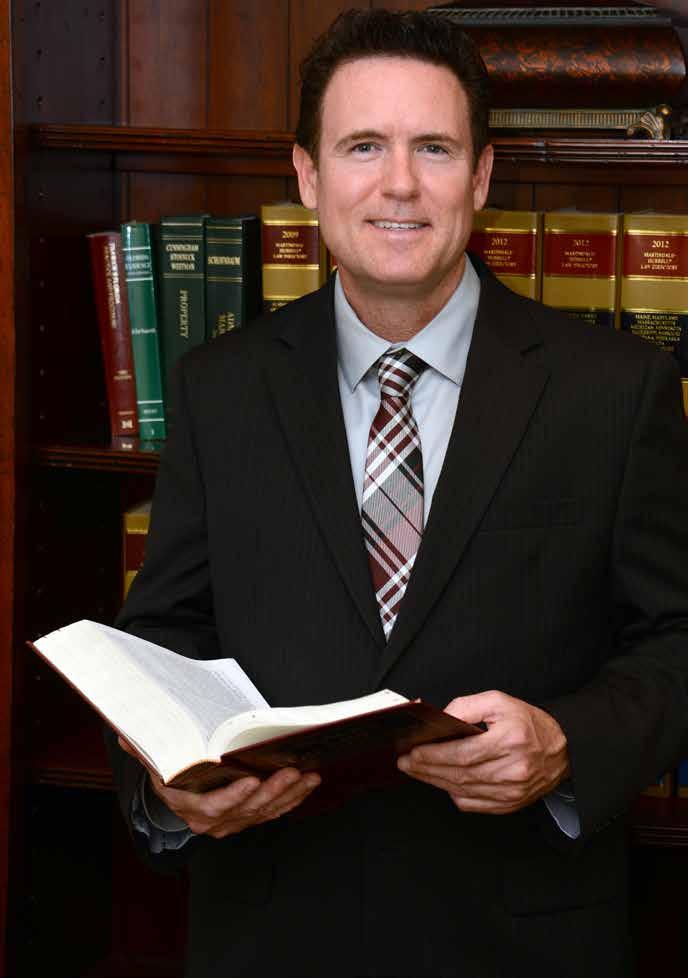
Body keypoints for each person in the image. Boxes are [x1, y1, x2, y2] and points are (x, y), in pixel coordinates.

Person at [108, 9, 688, 978]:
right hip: (271, 931)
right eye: (363, 146)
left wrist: (566, 743)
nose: (400, 184)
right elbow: (162, 640)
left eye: (434, 148)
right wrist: (165, 786)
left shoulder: (616, 391)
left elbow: (675, 638)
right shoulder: (220, 388)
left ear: (481, 176)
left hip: (522, 938)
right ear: (307, 175)